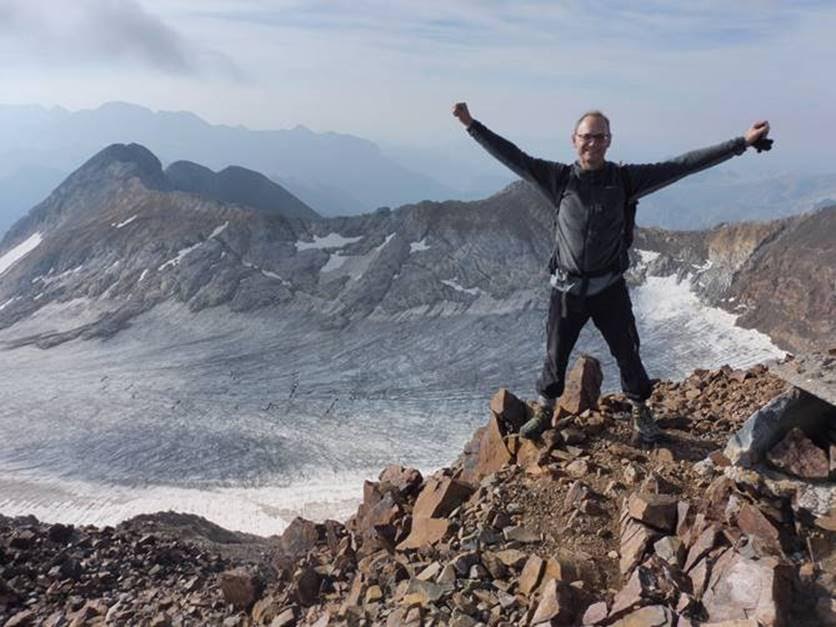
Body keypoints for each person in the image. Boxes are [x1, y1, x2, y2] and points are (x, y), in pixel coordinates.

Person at [452, 102, 770, 444]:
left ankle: (640, 410)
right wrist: (472, 125)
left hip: (608, 288)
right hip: (567, 289)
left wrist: (742, 143)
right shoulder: (558, 179)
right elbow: (512, 156)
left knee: (627, 351)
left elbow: (682, 166)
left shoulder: (625, 180)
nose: (592, 143)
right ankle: (545, 409)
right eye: (586, 137)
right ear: (574, 140)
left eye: (599, 137)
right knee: (555, 353)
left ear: (609, 141)